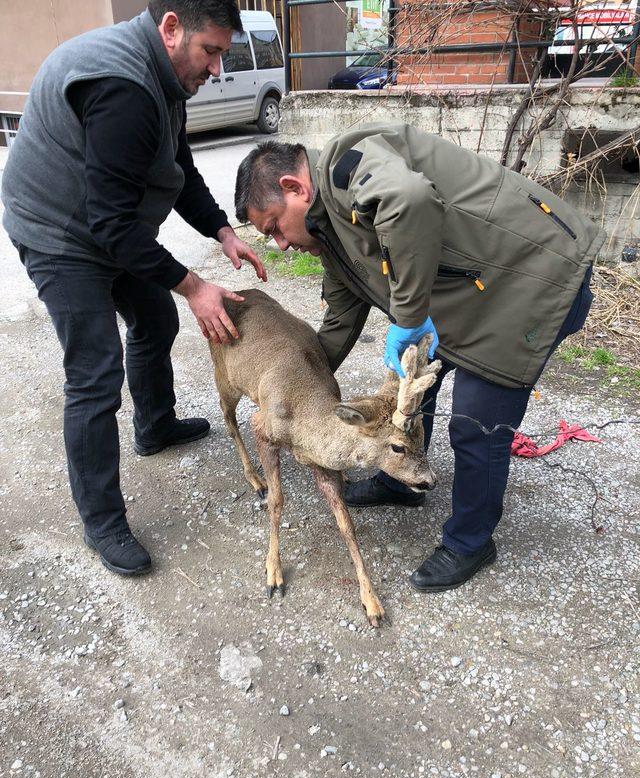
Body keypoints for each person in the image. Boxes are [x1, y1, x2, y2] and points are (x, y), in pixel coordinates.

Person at [233, 124, 604, 592]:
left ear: (294, 188)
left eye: (273, 228)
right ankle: (403, 480)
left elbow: (409, 200)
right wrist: (296, 384)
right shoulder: (329, 234)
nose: (281, 243)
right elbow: (340, 321)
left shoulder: (348, 165)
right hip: (473, 289)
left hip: (532, 276)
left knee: (475, 419)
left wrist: (407, 318)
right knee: (405, 386)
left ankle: (471, 541)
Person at [1, 0, 267, 577]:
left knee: (155, 319)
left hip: (107, 224)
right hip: (59, 231)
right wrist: (194, 285)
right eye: (212, 52)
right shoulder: (122, 85)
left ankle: (154, 426)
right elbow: (111, 225)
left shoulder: (165, 75)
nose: (217, 68)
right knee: (95, 374)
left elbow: (179, 166)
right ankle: (102, 520)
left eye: (223, 53)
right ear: (171, 28)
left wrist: (221, 230)